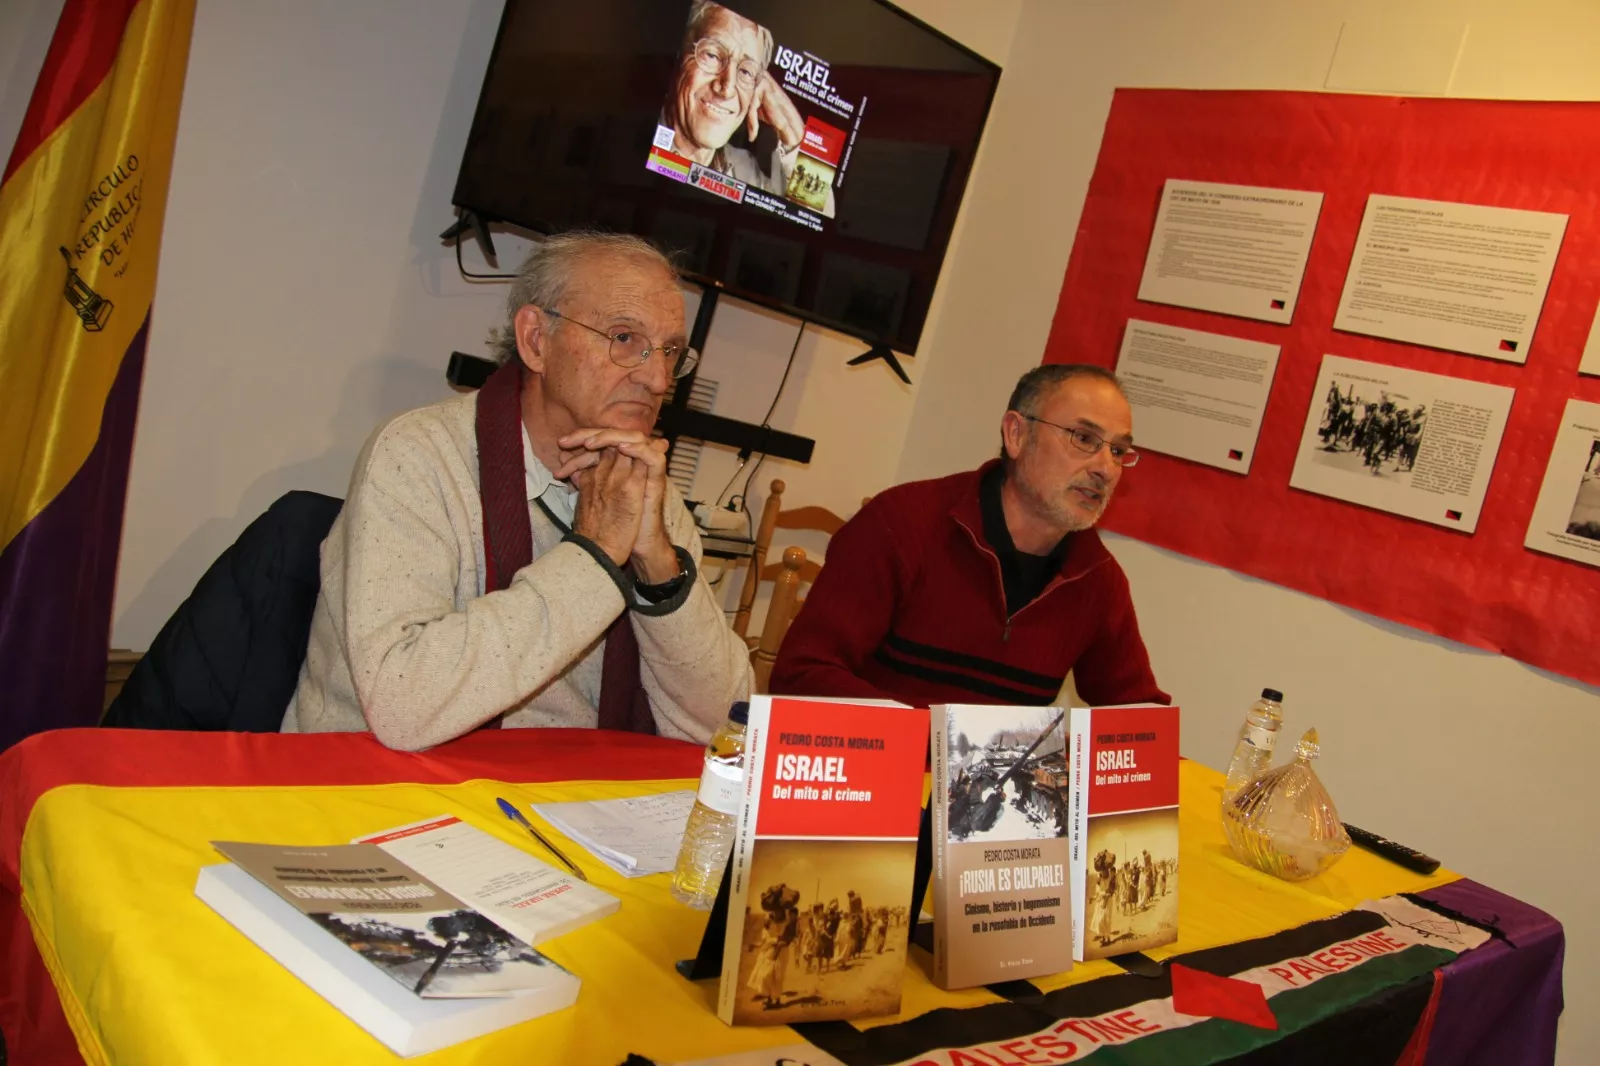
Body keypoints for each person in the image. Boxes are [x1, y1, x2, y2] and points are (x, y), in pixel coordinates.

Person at [283, 232, 752, 750]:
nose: (659, 379)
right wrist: (594, 556)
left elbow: (722, 728)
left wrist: (659, 566)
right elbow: (401, 704)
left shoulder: (644, 489)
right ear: (535, 340)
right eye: (624, 339)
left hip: (560, 801)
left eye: (669, 352)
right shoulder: (416, 454)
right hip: (375, 793)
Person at [770, 364, 1167, 708]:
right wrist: (943, 747)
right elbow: (802, 674)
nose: (1106, 469)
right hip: (872, 777)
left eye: (1118, 451)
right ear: (1016, 434)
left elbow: (1136, 719)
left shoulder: (1096, 577)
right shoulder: (903, 523)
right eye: (1084, 439)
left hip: (989, 793)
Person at [659, 0, 834, 216]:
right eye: (712, 55)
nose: (727, 88)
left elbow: (820, 218)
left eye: (746, 72)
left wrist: (792, 132)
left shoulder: (743, 168)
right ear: (679, 53)